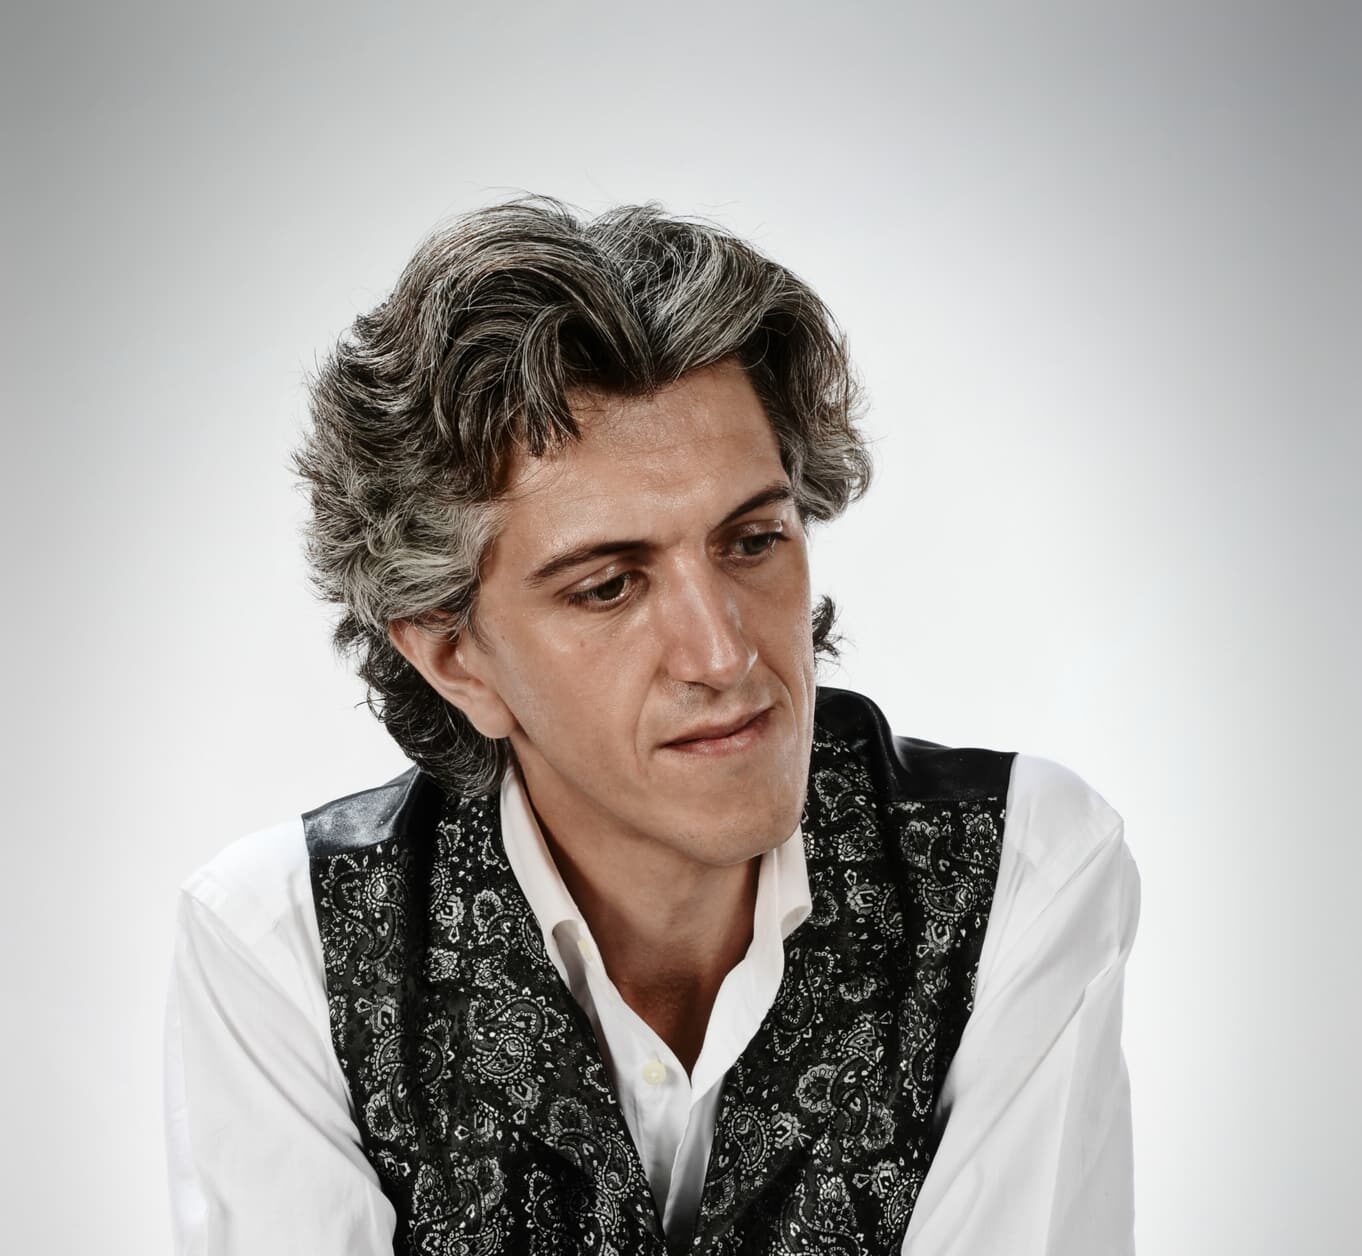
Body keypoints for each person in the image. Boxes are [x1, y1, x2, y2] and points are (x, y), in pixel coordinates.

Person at [161, 196, 1141, 1255]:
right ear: (454, 657)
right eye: (609, 586)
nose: (723, 653)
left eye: (753, 540)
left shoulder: (1019, 868)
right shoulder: (288, 945)